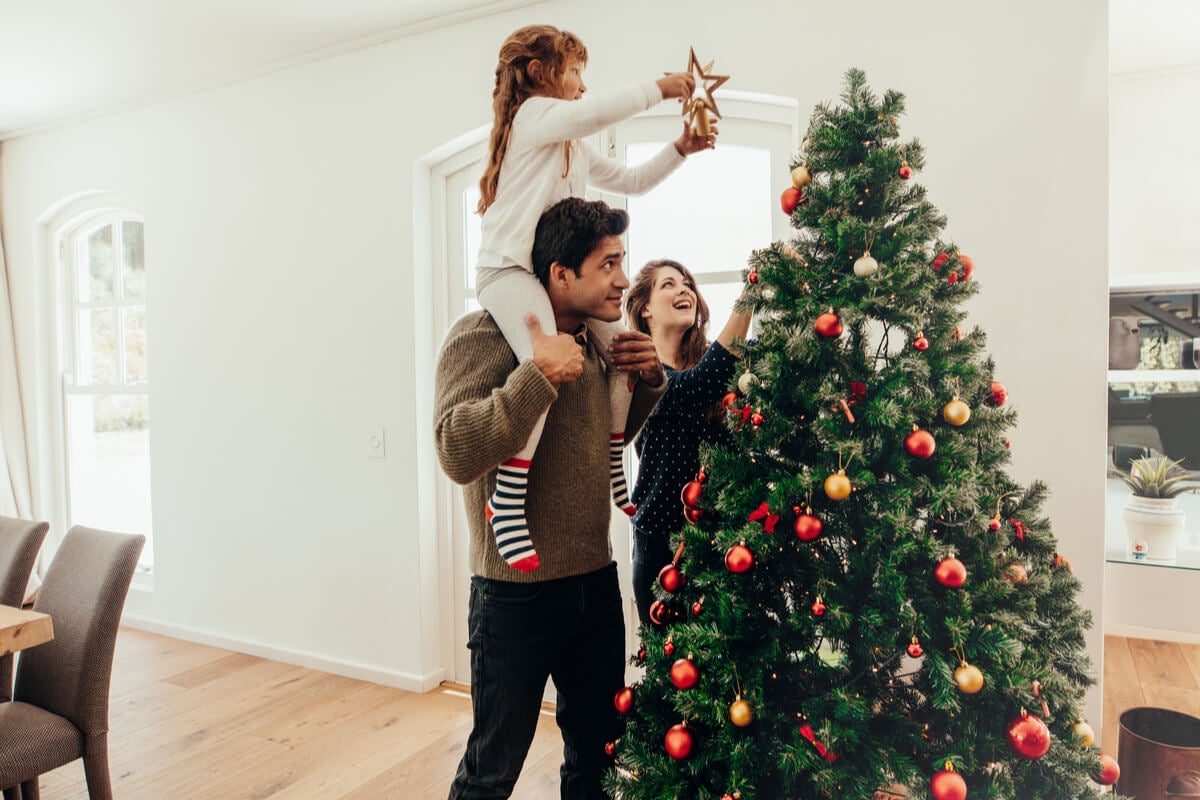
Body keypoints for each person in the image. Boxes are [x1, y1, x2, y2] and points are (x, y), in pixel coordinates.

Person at [436, 197, 667, 799]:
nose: (624, 279)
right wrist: (536, 377)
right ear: (560, 274)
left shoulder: (598, 343)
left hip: (595, 585)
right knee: (493, 770)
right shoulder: (481, 334)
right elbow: (456, 452)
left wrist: (647, 382)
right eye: (609, 264)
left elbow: (593, 444)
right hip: (514, 597)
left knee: (597, 757)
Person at [476, 23, 716, 573]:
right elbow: (592, 112)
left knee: (624, 351)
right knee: (550, 361)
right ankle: (508, 495)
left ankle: (615, 465)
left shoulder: (573, 149)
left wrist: (680, 148)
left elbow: (631, 180)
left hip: (546, 275)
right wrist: (662, 87)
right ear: (541, 74)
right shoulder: (531, 118)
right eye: (577, 72)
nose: (584, 86)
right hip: (509, 272)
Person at [623, 259, 752, 626]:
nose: (684, 290)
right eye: (669, 285)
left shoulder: (721, 362)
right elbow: (696, 386)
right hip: (662, 547)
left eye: (688, 284)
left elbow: (760, 357)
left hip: (727, 539)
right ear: (645, 307)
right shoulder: (640, 371)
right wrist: (751, 292)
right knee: (672, 671)